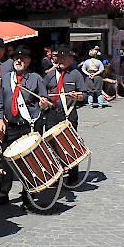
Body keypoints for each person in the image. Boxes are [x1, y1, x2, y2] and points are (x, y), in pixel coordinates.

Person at [0, 46, 50, 210]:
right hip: (10, 126)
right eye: (17, 58)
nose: (19, 60)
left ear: (29, 61)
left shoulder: (36, 78)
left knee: (28, 162)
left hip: (28, 126)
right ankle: (3, 193)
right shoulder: (5, 78)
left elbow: (43, 101)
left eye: (23, 58)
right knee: (4, 161)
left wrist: (43, 104)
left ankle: (29, 195)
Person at [43, 50, 86, 185]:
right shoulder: (49, 75)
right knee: (52, 145)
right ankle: (56, 174)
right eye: (58, 58)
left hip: (69, 112)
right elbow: (42, 92)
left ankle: (73, 175)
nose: (60, 60)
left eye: (64, 58)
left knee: (70, 143)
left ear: (70, 59)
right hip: (52, 113)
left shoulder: (76, 74)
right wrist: (43, 102)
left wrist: (78, 96)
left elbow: (84, 95)